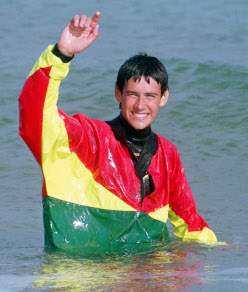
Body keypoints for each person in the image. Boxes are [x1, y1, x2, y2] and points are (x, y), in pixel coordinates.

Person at [19, 12, 217, 254]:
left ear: (164, 98)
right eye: (132, 94)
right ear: (118, 94)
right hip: (83, 278)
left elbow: (189, 222)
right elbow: (34, 116)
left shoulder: (167, 154)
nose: (140, 105)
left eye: (150, 96)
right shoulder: (88, 138)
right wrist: (62, 54)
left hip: (146, 280)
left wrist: (226, 262)